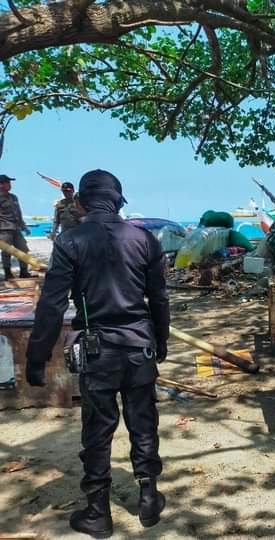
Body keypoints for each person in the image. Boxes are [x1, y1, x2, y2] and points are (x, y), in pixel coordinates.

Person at [25, 170, 170, 538]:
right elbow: (160, 299)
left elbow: (52, 304)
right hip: (140, 347)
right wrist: (162, 342)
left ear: (81, 202)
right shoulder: (145, 240)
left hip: (97, 352)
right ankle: (149, 498)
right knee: (143, 422)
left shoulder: (70, 241)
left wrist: (37, 356)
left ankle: (97, 511)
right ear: (118, 201)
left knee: (97, 429)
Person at [0, 174, 31, 280]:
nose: (10, 185)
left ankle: (24, 271)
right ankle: (8, 273)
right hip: (4, 228)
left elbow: (18, 213)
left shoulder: (13, 197)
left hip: (16, 228)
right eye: (7, 182)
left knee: (23, 248)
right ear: (1, 185)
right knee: (7, 251)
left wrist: (24, 226)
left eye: (9, 182)